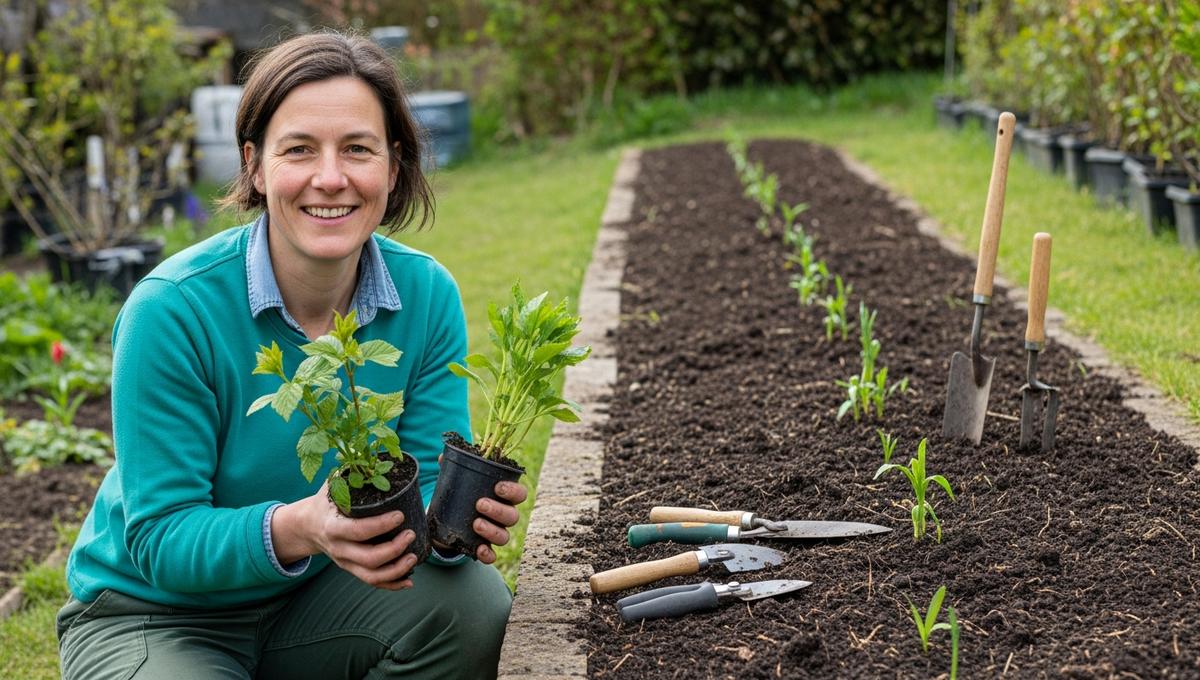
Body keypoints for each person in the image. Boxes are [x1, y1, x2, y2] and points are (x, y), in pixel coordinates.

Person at [56, 31, 526, 680]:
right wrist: (299, 527)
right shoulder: (171, 309)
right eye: (299, 149)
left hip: (318, 599)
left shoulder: (424, 295)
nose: (329, 178)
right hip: (156, 612)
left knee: (469, 606)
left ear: (393, 165)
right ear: (254, 164)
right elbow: (161, 538)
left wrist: (456, 526)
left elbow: (418, 490)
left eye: (357, 149)